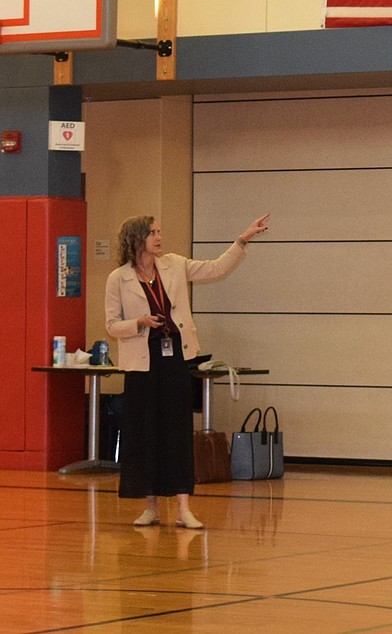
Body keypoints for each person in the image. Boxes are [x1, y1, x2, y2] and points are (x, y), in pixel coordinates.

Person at [105, 213, 270, 529]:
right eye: (152, 232)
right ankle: (150, 507)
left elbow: (217, 268)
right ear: (137, 239)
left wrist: (243, 238)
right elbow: (111, 325)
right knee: (145, 434)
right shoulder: (119, 278)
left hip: (174, 357)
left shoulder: (175, 265)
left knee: (177, 431)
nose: (159, 237)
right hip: (141, 362)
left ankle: (184, 509)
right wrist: (138, 323)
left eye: (159, 231)